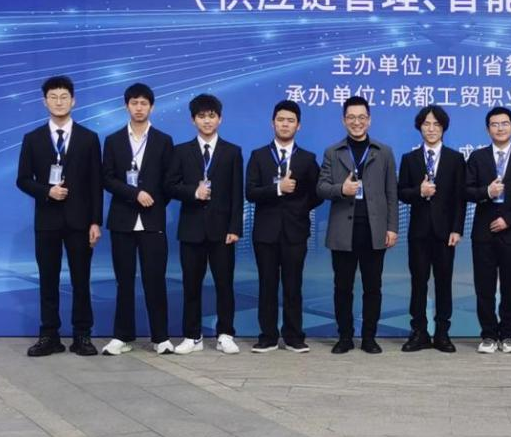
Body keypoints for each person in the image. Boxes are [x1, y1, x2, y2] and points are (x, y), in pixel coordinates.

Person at [15, 75, 102, 357]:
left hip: (80, 221)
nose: (59, 102)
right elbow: (22, 179)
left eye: (64, 97)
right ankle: (49, 335)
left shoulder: (89, 138)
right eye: (53, 97)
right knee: (48, 280)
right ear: (45, 102)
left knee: (81, 280)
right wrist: (47, 191)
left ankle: (82, 335)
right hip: (47, 220)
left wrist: (95, 221)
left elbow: (96, 184)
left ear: (73, 101)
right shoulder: (32, 138)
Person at [316, 96, 398, 355]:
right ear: (344, 120)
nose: (356, 122)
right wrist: (341, 189)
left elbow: (392, 194)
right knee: (343, 288)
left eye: (361, 117)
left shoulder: (384, 152)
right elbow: (321, 187)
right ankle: (345, 337)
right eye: (351, 117)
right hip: (343, 232)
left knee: (373, 288)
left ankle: (369, 338)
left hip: (374, 231)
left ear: (369, 120)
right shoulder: (333, 152)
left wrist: (392, 227)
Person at [166, 94, 244, 355]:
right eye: (201, 116)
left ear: (220, 119)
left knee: (225, 285)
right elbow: (170, 186)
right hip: (191, 230)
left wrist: (235, 228)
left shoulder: (232, 151)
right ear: (193, 120)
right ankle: (192, 336)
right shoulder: (180, 151)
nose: (207, 121)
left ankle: (225, 334)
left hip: (223, 232)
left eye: (212, 116)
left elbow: (237, 193)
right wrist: (193, 192)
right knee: (191, 285)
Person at [100, 83, 175, 356]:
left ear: (151, 107)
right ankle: (122, 336)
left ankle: (161, 337)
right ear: (126, 106)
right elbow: (107, 178)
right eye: (134, 103)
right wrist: (135, 195)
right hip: (122, 221)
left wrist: (153, 202)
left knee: (155, 280)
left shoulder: (164, 140)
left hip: (153, 221)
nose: (139, 108)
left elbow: (170, 182)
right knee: (124, 281)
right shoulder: (113, 140)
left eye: (144, 103)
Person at [245, 100, 324, 353]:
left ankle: (293, 336)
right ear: (273, 123)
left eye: (290, 120)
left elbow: (318, 194)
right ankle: (267, 336)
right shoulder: (258, 155)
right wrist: (278, 188)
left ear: (298, 126)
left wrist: (299, 208)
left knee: (293, 286)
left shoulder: (308, 159)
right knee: (267, 285)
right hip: (265, 232)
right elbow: (250, 192)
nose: (285, 124)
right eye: (281, 120)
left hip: (295, 231)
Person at [464, 107, 511, 354]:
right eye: (494, 124)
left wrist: (509, 219)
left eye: (505, 123)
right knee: (484, 287)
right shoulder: (477, 157)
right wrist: (487, 192)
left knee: (510, 287)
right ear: (488, 130)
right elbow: (466, 190)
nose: (500, 128)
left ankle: (508, 335)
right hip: (483, 234)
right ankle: (487, 334)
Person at [396, 105, 466, 353]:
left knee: (444, 283)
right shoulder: (410, 159)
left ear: (443, 128)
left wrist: (457, 229)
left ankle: (443, 333)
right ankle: (419, 332)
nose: (431, 128)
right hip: (418, 233)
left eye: (436, 124)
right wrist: (419, 191)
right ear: (420, 127)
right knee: (418, 283)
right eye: (427, 124)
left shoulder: (455, 159)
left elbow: (460, 197)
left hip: (446, 233)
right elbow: (401, 192)